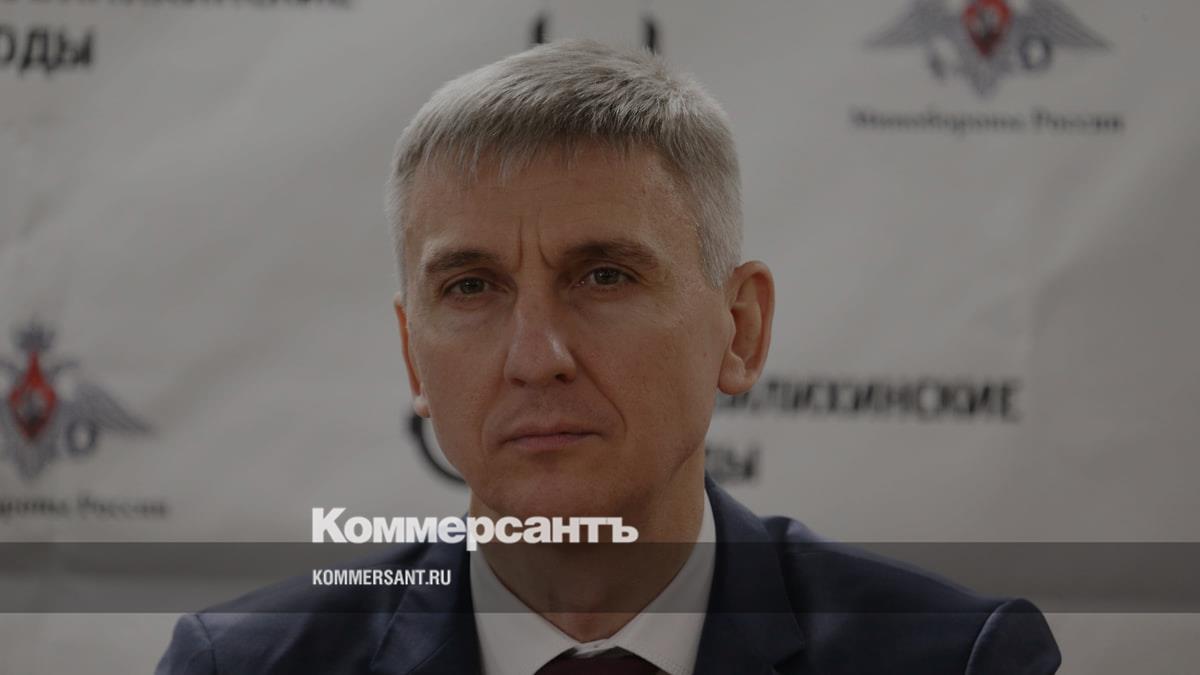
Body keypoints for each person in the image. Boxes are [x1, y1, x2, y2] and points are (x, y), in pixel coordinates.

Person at [157, 39, 1061, 674]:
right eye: (471, 287)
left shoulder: (952, 659)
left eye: (604, 276)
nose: (536, 356)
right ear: (411, 355)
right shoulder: (242, 666)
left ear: (740, 328)